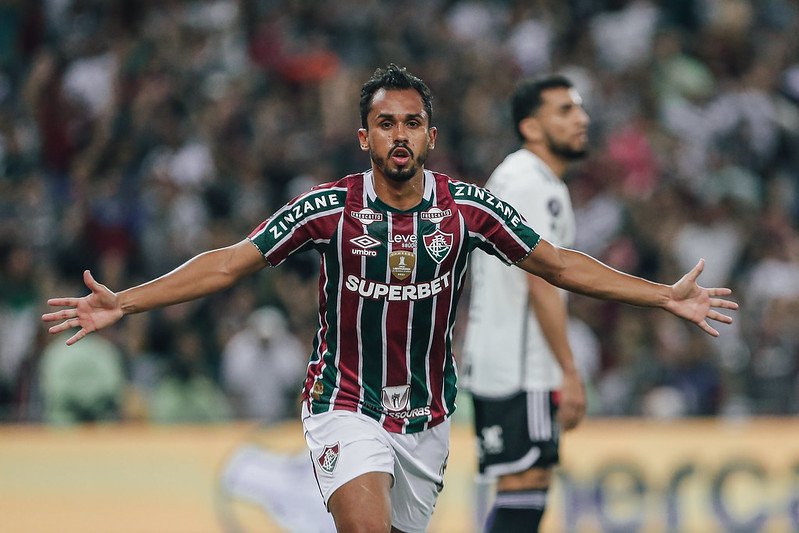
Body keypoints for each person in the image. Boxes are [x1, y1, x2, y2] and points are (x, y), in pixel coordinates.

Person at [42, 64, 737, 533]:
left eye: (411, 123)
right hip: (344, 404)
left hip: (427, 420)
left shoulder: (466, 210)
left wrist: (659, 295)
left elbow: (555, 264)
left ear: (430, 137)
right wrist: (125, 302)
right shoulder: (327, 208)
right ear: (363, 136)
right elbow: (228, 264)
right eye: (385, 123)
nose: (398, 135)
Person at [461, 75, 589, 532]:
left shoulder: (519, 177)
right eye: (565, 111)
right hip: (521, 363)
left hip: (500, 356)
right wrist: (568, 372)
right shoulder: (532, 181)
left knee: (523, 485)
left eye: (579, 109)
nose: (581, 119)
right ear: (532, 127)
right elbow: (542, 282)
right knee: (525, 483)